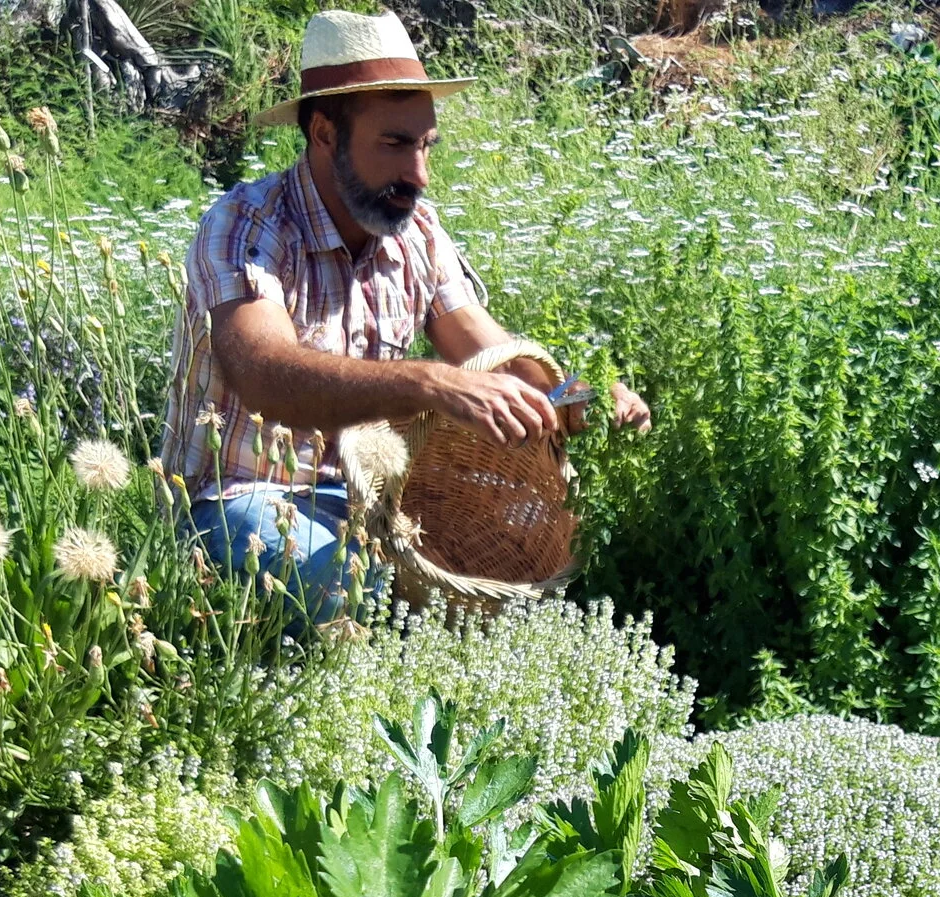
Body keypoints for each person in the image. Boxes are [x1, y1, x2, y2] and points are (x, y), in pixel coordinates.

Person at [161, 9, 650, 617]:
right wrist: (432, 383)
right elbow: (266, 374)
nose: (417, 174)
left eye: (424, 146)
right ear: (324, 134)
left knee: (521, 550)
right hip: (235, 498)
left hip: (375, 498)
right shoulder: (248, 225)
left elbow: (489, 350)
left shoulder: (414, 231)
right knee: (364, 596)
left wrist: (585, 399)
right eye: (394, 145)